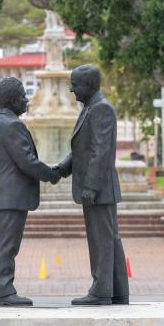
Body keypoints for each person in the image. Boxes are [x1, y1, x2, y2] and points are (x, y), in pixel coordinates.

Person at [55, 64, 129, 306]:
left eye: (74, 85)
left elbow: (101, 152)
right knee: (109, 239)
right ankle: (116, 290)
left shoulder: (101, 109)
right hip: (98, 188)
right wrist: (61, 169)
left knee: (102, 240)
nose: (72, 90)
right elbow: (82, 150)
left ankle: (100, 292)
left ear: (88, 85)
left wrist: (91, 187)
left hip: (99, 189)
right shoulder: (91, 107)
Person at [0, 77, 61, 306]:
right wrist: (53, 174)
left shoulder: (1, 122)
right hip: (9, 196)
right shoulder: (11, 124)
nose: (27, 100)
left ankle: (2, 291)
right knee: (6, 246)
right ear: (14, 100)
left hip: (6, 195)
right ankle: (3, 292)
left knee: (4, 246)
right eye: (24, 96)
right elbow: (27, 162)